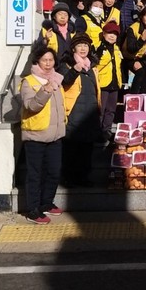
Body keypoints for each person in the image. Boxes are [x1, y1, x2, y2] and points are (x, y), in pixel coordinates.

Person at [19, 45, 66, 224]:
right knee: (35, 174)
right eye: (44, 60)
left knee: (54, 171)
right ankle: (33, 209)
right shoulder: (28, 81)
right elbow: (31, 106)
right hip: (36, 135)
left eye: (51, 60)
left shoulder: (56, 79)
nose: (48, 63)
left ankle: (47, 203)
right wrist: (45, 90)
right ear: (37, 62)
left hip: (55, 135)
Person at [59, 33, 101, 187]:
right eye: (79, 45)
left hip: (90, 113)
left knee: (87, 148)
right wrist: (75, 70)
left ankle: (84, 177)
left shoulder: (92, 67)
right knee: (72, 148)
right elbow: (65, 82)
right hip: (74, 111)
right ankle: (69, 178)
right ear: (73, 48)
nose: (83, 48)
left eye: (86, 45)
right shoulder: (67, 64)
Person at [95, 21, 123, 143]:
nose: (112, 36)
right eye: (110, 33)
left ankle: (106, 131)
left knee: (111, 110)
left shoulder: (116, 49)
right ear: (104, 34)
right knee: (101, 110)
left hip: (114, 84)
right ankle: (97, 132)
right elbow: (95, 65)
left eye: (115, 34)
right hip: (102, 83)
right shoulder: (99, 47)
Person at [122, 6, 146, 94]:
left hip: (144, 58)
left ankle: (145, 95)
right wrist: (142, 39)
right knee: (140, 71)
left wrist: (143, 62)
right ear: (142, 17)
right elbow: (130, 49)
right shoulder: (133, 28)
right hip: (130, 58)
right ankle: (134, 95)